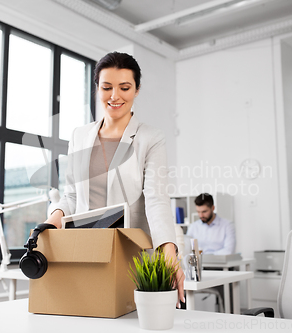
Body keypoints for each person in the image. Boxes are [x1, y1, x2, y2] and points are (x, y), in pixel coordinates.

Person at [45, 51, 185, 306]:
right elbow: (71, 195)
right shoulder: (79, 135)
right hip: (86, 252)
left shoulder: (151, 138)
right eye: (107, 87)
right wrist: (53, 219)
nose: (115, 96)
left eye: (124, 87)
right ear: (97, 88)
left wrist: (168, 249)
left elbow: (156, 198)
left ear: (137, 89)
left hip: (131, 256)